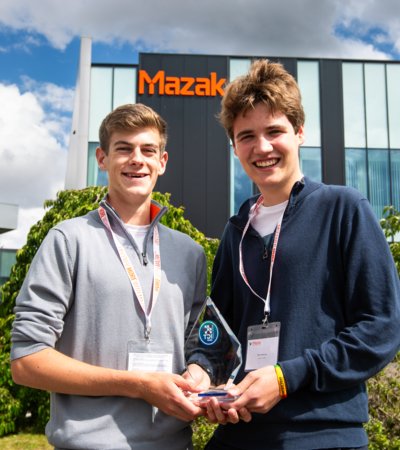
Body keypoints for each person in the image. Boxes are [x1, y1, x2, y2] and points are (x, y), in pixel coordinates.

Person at [203, 59, 400, 450]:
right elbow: (219, 339)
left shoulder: (343, 209)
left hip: (322, 434)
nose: (262, 147)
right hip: (240, 433)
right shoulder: (235, 231)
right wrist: (210, 384)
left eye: (274, 131)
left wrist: (286, 377)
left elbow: (381, 328)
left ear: (299, 133)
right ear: (234, 145)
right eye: (246, 136)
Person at [10, 103, 210, 450]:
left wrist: (200, 372)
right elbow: (27, 361)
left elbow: (195, 348)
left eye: (148, 150)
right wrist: (137, 384)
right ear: (102, 159)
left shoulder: (190, 252)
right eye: (124, 149)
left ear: (162, 162)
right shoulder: (68, 239)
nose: (137, 159)